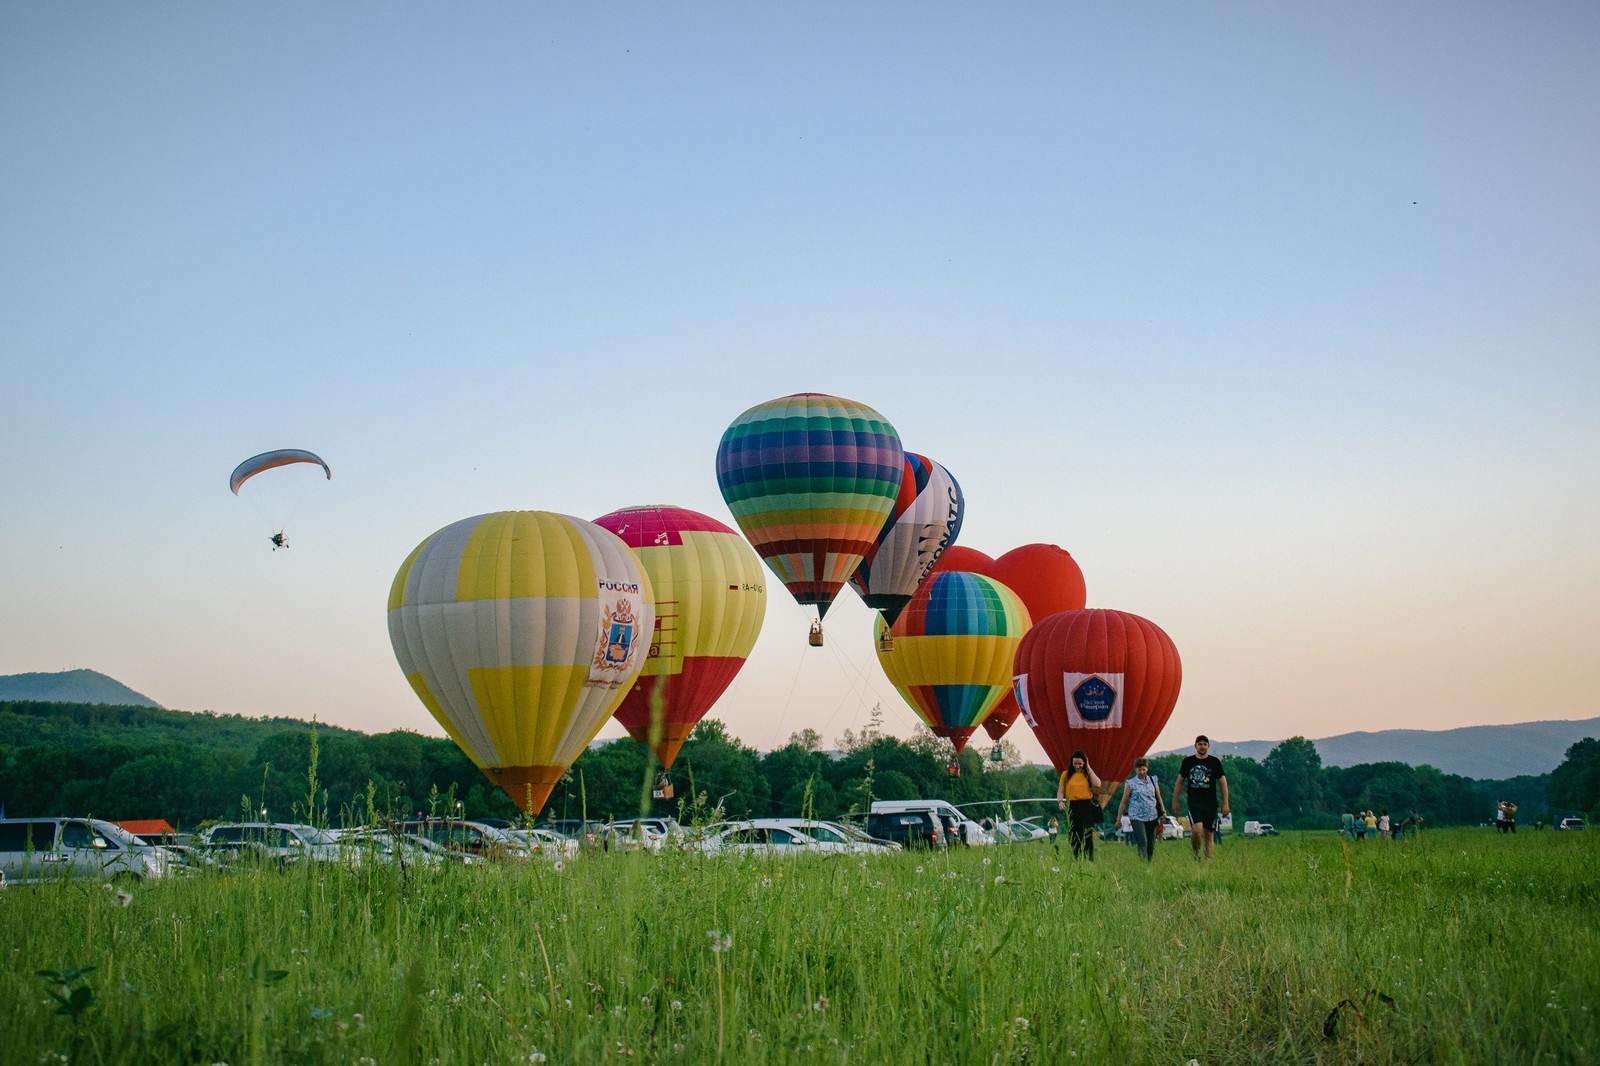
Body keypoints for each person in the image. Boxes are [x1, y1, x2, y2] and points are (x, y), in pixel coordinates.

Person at [1173, 735, 1229, 861]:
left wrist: (1225, 802)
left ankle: (1209, 862)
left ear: (1208, 746)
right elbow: (1180, 781)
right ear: (1195, 746)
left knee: (1209, 834)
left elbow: (1223, 782)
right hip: (1194, 802)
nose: (1202, 746)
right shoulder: (1188, 762)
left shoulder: (1214, 762)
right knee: (1197, 830)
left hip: (1211, 802)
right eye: (1200, 744)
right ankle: (1196, 854)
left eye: (1205, 744)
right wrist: (1175, 800)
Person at [1116, 757, 1164, 863]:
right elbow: (1124, 802)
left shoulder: (1153, 780)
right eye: (1139, 770)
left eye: (1143, 769)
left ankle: (1149, 863)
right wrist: (1118, 819)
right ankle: (1143, 862)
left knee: (1151, 842)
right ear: (1135, 770)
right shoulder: (1130, 783)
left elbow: (1158, 797)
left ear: (1147, 768)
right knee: (1143, 840)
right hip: (1136, 816)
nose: (1141, 772)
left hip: (1152, 815)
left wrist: (1163, 812)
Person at [1056, 751, 1103, 860]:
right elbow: (1060, 791)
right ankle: (1076, 857)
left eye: (1080, 763)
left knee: (1086, 833)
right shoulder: (1065, 774)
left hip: (1087, 806)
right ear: (1071, 763)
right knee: (1074, 833)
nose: (1077, 766)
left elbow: (1098, 784)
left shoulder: (1087, 774)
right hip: (1072, 805)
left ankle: (1089, 858)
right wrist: (1060, 801)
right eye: (1075, 763)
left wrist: (1088, 767)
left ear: (1084, 763)